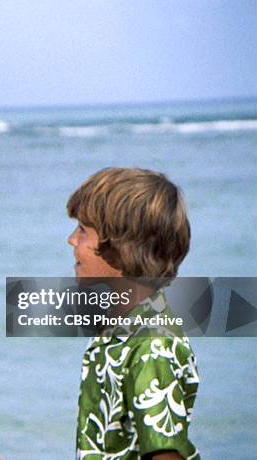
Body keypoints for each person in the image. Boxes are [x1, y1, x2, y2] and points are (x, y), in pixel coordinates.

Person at [66, 168, 200, 460]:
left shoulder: (152, 347)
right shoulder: (118, 332)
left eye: (83, 230)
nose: (72, 240)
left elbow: (165, 452)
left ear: (121, 247)